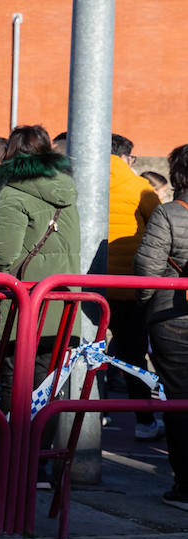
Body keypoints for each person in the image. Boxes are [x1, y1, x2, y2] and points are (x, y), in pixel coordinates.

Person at [0, 125, 80, 477]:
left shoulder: (13, 191)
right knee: (47, 387)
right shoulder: (65, 188)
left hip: (25, 305)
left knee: (15, 382)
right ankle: (36, 467)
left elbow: (3, 252)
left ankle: (11, 463)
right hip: (63, 304)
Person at [134, 143, 188, 510]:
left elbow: (147, 273)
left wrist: (144, 305)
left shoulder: (169, 213)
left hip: (173, 318)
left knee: (180, 400)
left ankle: (185, 485)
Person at [107, 133, 164, 440]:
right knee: (133, 356)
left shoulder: (83, 180)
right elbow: (160, 230)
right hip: (130, 286)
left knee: (89, 352)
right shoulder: (139, 187)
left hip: (87, 285)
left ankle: (91, 412)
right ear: (127, 157)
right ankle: (144, 420)